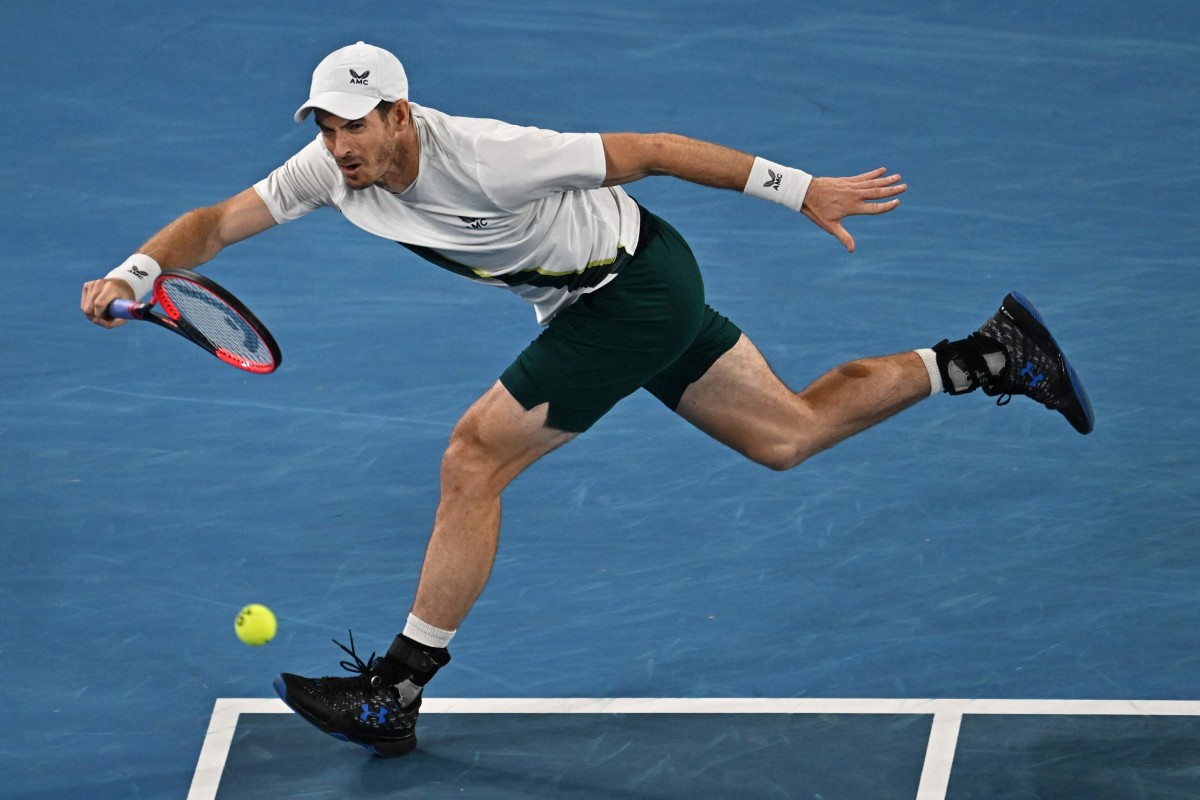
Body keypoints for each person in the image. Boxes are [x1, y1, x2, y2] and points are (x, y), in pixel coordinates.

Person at [80, 41, 1094, 757]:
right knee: (787, 434)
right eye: (326, 127)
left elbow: (649, 146)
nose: (339, 146)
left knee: (473, 455)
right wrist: (133, 271)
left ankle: (395, 688)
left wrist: (802, 187)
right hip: (619, 289)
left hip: (629, 292)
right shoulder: (331, 175)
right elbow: (212, 224)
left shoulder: (491, 155)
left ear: (399, 114)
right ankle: (987, 356)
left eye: (354, 126)